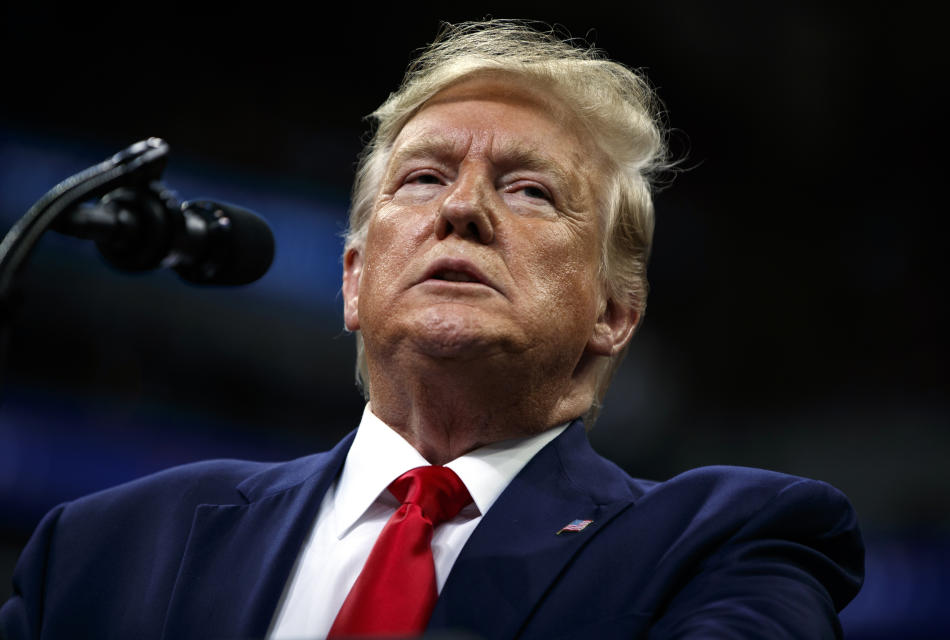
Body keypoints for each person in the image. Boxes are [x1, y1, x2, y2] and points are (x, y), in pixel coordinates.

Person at [0, 20, 863, 640]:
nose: (462, 208)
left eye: (529, 190)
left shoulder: (725, 545)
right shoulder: (99, 550)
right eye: (422, 177)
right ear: (353, 281)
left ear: (613, 314)